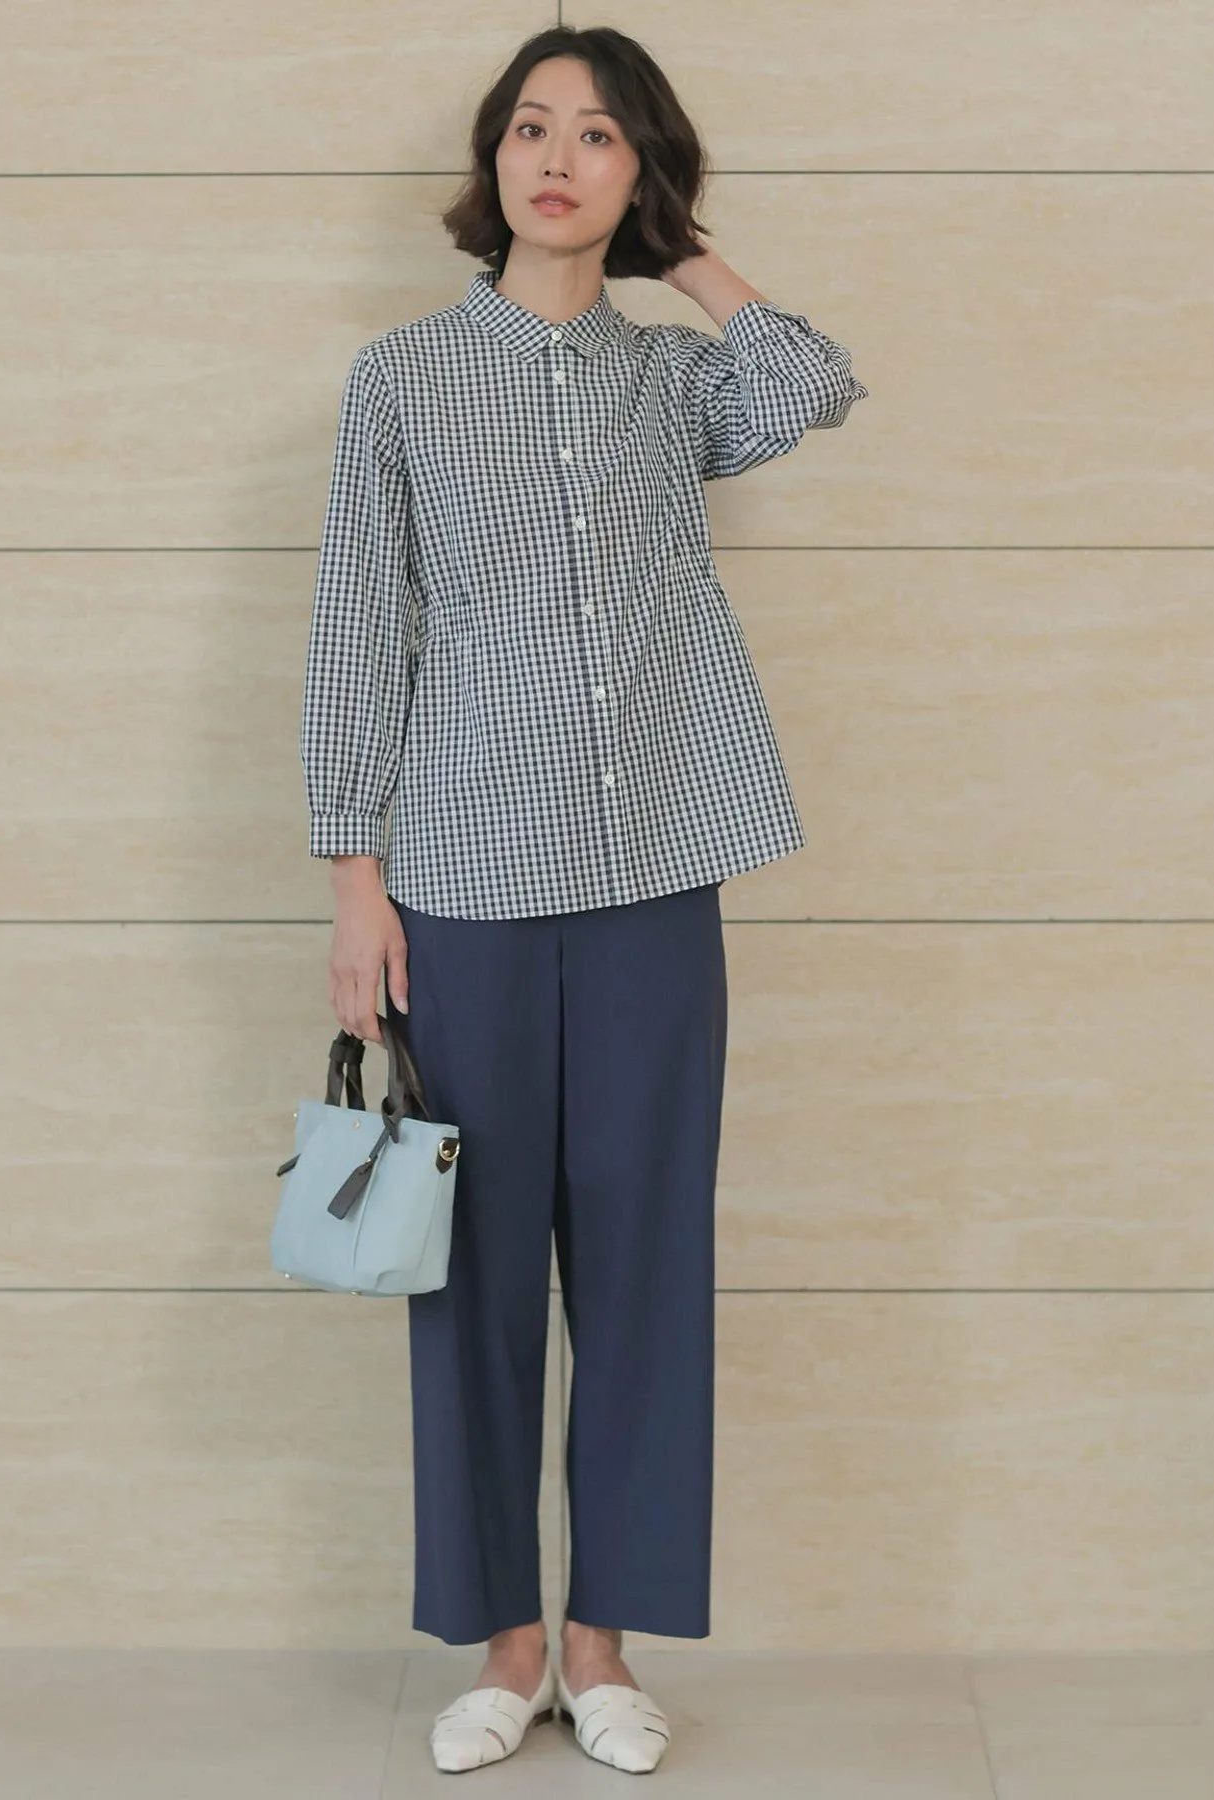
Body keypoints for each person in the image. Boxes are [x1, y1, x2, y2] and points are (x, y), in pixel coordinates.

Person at [300, 24, 867, 1776]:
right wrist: (355, 886)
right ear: (493, 162)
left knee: (644, 1263)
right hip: (460, 888)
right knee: (471, 1278)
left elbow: (815, 379)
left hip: (653, 881)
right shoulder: (402, 380)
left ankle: (605, 1647)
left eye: (602, 136)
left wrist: (685, 253)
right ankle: (506, 1644)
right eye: (533, 129)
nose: (559, 159)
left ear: (640, 173)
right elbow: (357, 632)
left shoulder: (672, 385)